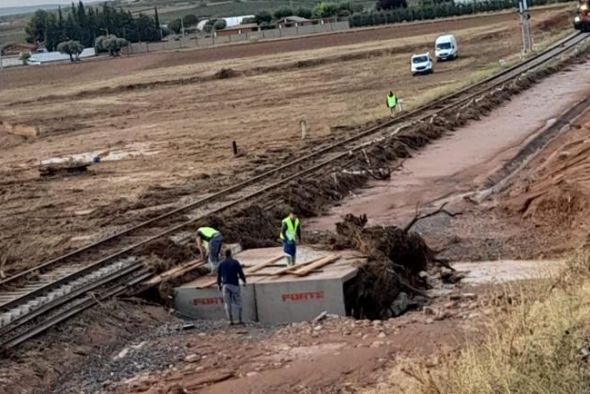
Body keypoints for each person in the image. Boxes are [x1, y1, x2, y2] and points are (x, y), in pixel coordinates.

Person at [217, 249, 246, 325]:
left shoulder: (221, 264)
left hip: (225, 285)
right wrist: (244, 281)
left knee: (227, 303)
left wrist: (219, 285)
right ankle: (239, 319)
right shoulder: (235, 262)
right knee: (238, 302)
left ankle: (230, 321)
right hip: (234, 285)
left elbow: (219, 276)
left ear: (224, 255)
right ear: (231, 254)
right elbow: (240, 273)